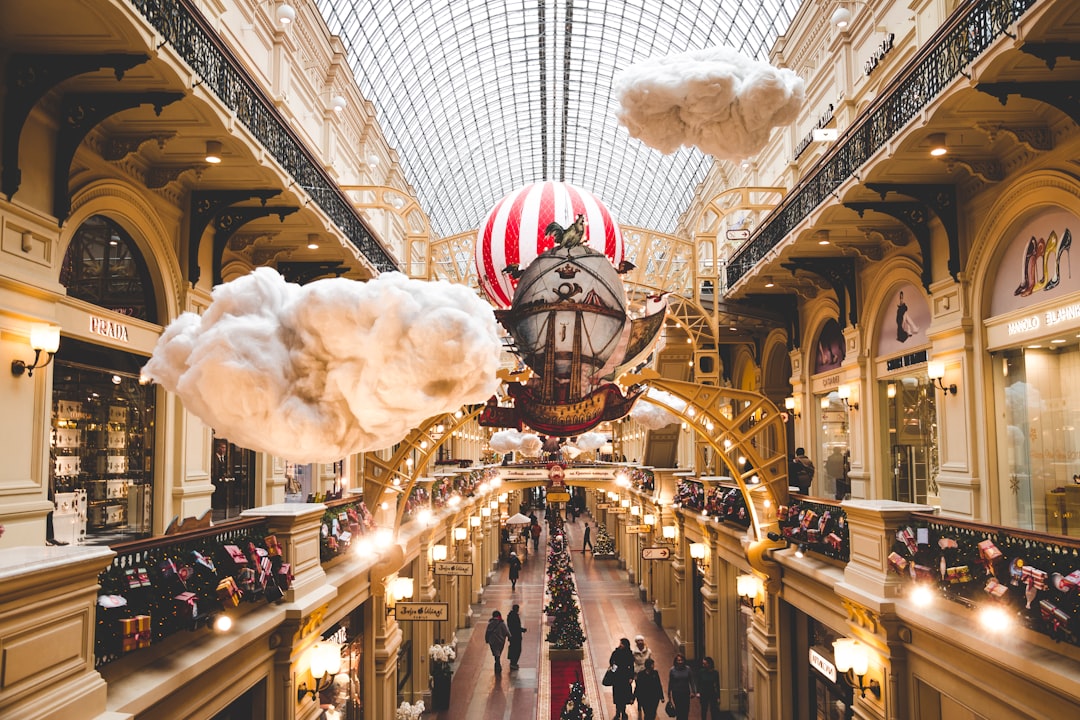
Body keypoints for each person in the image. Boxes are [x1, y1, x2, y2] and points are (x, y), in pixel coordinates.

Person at [608, 637, 636, 720]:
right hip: (617, 678)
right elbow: (611, 662)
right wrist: (613, 671)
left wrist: (631, 677)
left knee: (623, 696)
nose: (620, 645)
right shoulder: (616, 652)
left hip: (625, 678)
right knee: (617, 696)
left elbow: (631, 666)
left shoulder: (629, 654)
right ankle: (617, 712)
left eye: (622, 643)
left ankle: (623, 712)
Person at [667, 653, 697, 720]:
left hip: (685, 692)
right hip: (676, 693)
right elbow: (670, 682)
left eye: (681, 660)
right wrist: (669, 692)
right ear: (676, 661)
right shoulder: (672, 670)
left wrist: (693, 691)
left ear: (684, 661)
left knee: (686, 710)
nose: (680, 662)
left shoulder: (688, 669)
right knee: (679, 710)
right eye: (678, 660)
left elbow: (692, 681)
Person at [631, 635, 653, 720]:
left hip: (646, 672)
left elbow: (650, 661)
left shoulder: (648, 651)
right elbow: (632, 662)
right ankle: (639, 703)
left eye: (641, 640)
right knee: (639, 688)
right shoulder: (633, 652)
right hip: (638, 673)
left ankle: (646, 701)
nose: (640, 642)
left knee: (647, 688)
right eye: (638, 641)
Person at [506, 603, 526, 670]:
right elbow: (515, 627)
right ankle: (513, 663)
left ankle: (513, 662)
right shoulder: (514, 616)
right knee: (517, 649)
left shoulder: (510, 615)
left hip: (512, 635)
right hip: (516, 636)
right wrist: (522, 630)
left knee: (513, 649)